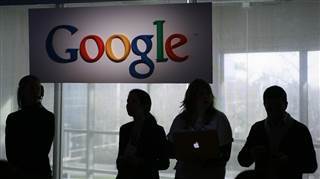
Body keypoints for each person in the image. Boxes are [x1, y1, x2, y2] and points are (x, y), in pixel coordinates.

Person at [238, 85, 318, 179]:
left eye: (277, 107)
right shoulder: (299, 130)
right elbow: (242, 160)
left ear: (286, 105)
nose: (274, 112)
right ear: (264, 105)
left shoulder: (258, 128)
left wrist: (288, 161)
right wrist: (252, 154)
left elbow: (312, 166)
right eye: (270, 108)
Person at [167, 79, 233, 179]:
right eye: (201, 94)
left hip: (211, 173)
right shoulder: (180, 119)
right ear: (191, 97)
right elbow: (170, 148)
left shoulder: (220, 118)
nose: (206, 97)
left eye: (208, 93)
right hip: (186, 172)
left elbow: (226, 152)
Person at [5, 75, 54, 179]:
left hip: (21, 173)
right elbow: (43, 150)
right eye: (31, 88)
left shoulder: (13, 118)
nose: (34, 91)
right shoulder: (49, 117)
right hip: (40, 172)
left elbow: (11, 154)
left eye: (35, 87)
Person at [116, 89, 169, 179]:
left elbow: (164, 163)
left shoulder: (156, 131)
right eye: (128, 101)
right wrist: (122, 161)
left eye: (133, 101)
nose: (128, 105)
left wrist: (141, 162)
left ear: (144, 106)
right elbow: (119, 159)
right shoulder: (124, 129)